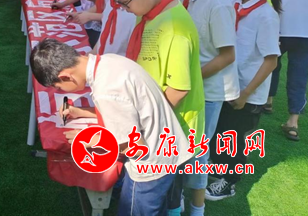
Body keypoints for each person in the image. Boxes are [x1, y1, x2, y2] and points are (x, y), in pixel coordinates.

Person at [30, 39, 193, 216]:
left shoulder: (106, 89)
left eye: (58, 87)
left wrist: (90, 141)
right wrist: (81, 112)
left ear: (66, 77)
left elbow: (135, 147)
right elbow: (127, 109)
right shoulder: (109, 61)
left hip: (150, 165)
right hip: (166, 150)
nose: (61, 91)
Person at [105, 0, 205, 214]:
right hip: (153, 123)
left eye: (124, 2)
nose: (122, 8)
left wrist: (143, 126)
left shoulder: (174, 28)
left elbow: (178, 89)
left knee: (145, 201)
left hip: (168, 129)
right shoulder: (150, 12)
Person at [165, 0, 239, 216]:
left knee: (196, 153)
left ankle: (197, 208)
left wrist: (190, 78)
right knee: (174, 146)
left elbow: (227, 55)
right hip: (181, 87)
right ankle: (176, 201)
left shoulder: (217, 4)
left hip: (205, 92)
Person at [207, 0, 287, 201]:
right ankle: (219, 168)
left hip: (247, 91)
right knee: (220, 130)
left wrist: (246, 94)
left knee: (234, 137)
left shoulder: (266, 16)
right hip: (228, 83)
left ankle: (229, 181)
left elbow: (271, 61)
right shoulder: (234, 4)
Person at [266, 0, 308, 141]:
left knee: (271, 65)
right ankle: (293, 121)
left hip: (281, 30)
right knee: (299, 75)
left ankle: (267, 100)